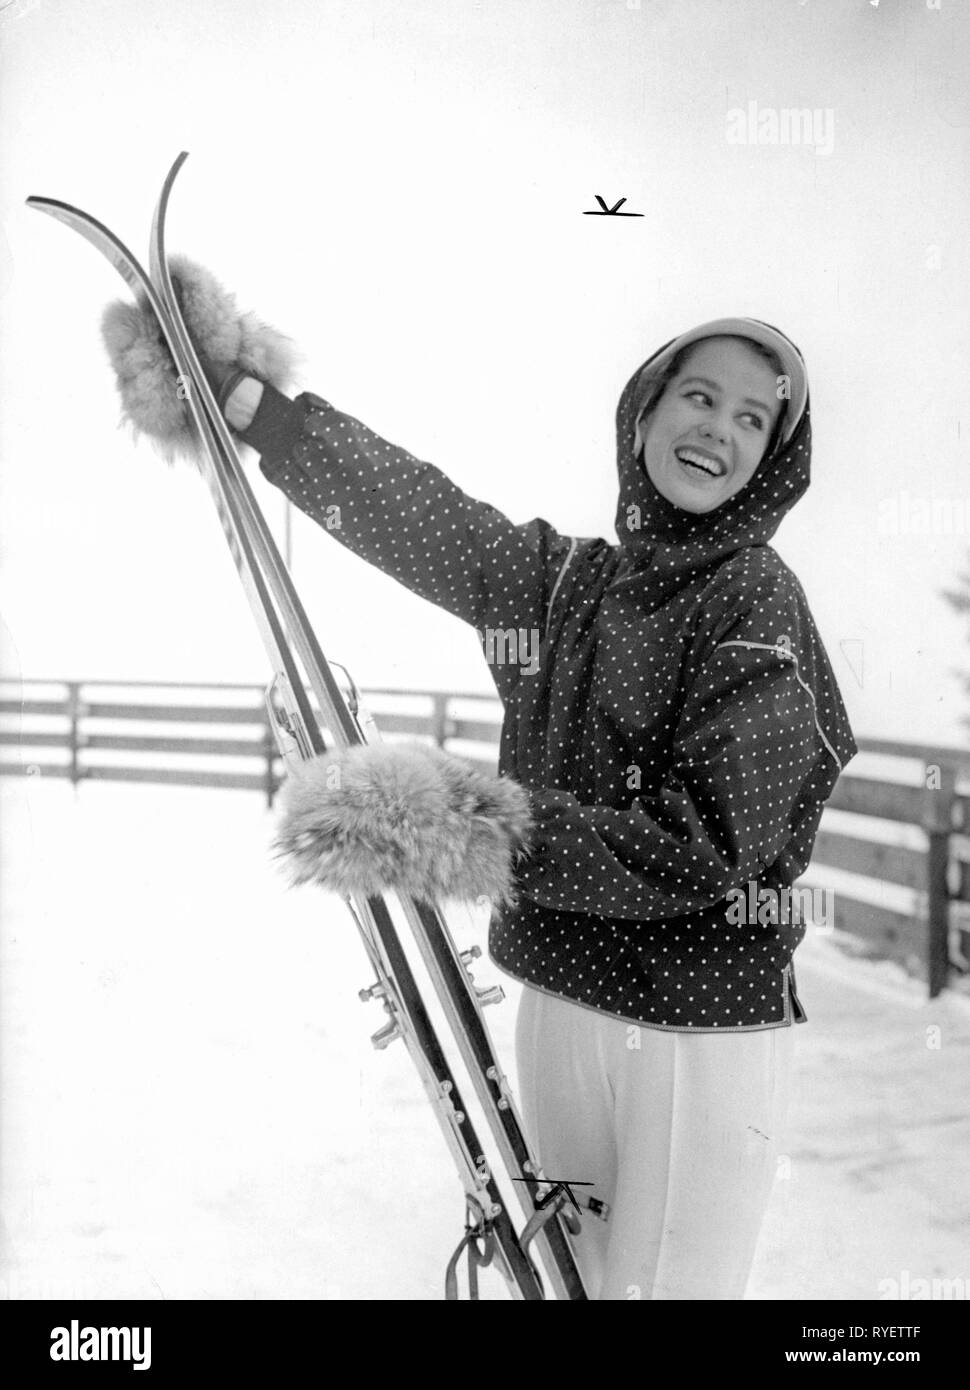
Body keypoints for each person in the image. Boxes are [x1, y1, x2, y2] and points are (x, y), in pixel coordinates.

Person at [110, 294, 858, 1298]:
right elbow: (429, 520)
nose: (716, 428)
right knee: (567, 1282)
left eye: (750, 416)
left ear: (771, 457)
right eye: (697, 395)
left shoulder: (755, 598)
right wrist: (255, 410)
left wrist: (470, 824)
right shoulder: (564, 587)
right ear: (643, 413)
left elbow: (703, 846)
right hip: (562, 1005)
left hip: (697, 1030)